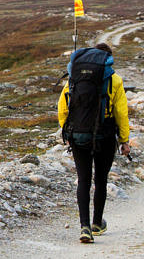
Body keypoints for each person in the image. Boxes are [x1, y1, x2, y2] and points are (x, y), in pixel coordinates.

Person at [57, 42, 130, 243]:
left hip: (79, 134)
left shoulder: (74, 77)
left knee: (83, 179)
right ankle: (97, 223)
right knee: (100, 179)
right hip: (104, 135)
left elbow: (63, 108)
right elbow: (121, 113)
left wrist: (68, 132)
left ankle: (84, 228)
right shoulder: (114, 79)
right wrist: (124, 140)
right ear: (107, 60)